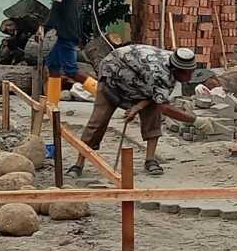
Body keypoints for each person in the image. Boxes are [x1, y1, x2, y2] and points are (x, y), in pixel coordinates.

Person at [67, 45, 198, 178]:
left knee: (152, 114)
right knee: (97, 121)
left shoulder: (174, 60)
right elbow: (164, 107)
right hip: (112, 77)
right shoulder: (159, 73)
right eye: (187, 73)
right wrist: (195, 120)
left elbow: (156, 99)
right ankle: (79, 164)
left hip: (139, 82)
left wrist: (137, 107)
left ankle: (150, 160)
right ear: (176, 70)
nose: (190, 76)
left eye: (191, 71)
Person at [41, 0, 99, 104]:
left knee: (71, 70)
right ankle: (52, 106)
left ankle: (103, 94)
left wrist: (45, 28)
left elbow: (57, 7)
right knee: (52, 63)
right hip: (75, 29)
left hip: (66, 30)